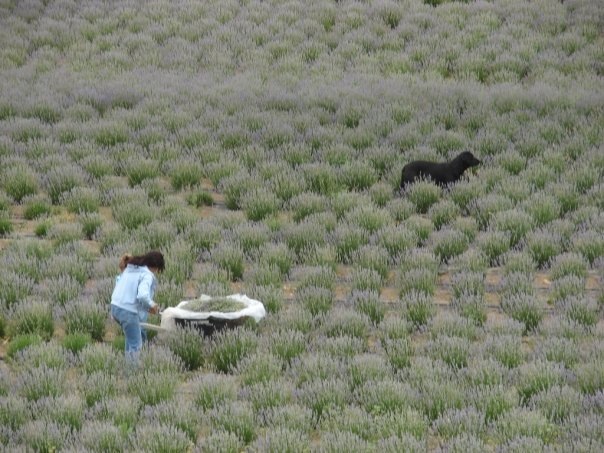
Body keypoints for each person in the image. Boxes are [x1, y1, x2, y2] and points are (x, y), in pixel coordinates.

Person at [111, 251, 164, 360]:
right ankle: (133, 374)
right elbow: (142, 296)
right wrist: (152, 305)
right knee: (136, 346)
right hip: (128, 312)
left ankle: (128, 369)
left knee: (130, 341)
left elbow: (128, 291)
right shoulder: (147, 275)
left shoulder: (131, 269)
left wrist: (147, 308)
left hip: (115, 307)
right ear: (155, 267)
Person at [115, 253, 148, 343]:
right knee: (139, 339)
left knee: (131, 338)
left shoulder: (119, 279)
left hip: (125, 312)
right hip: (135, 313)